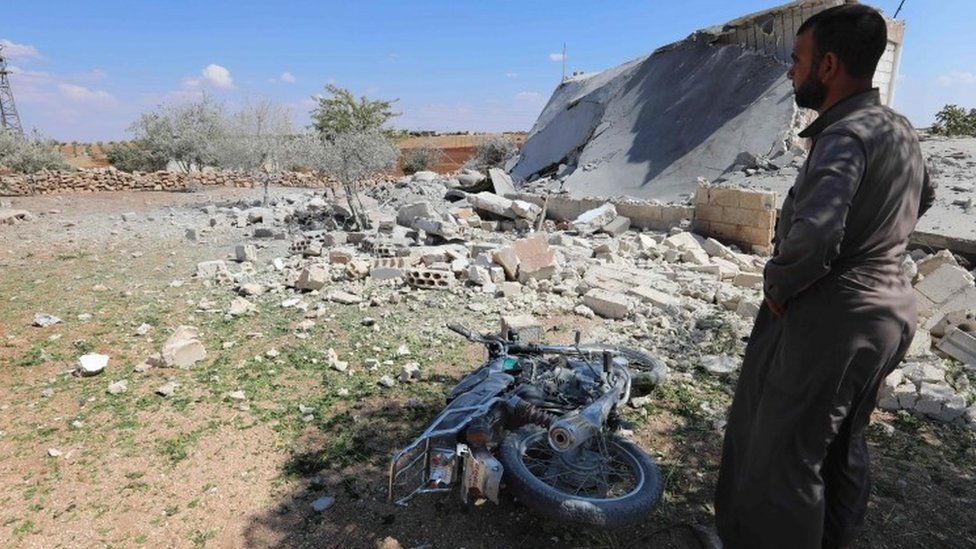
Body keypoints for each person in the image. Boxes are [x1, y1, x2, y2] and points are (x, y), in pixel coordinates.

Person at [713, 5, 936, 549]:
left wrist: (779, 286)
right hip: (887, 313)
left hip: (835, 319)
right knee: (841, 445)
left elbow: (814, 238)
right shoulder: (897, 128)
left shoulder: (845, 136)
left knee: (786, 460)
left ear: (829, 66)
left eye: (797, 60)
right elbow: (923, 197)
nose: (791, 72)